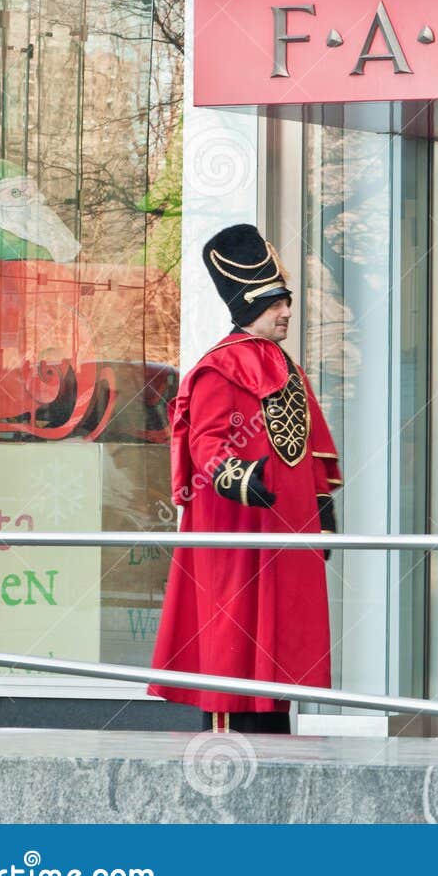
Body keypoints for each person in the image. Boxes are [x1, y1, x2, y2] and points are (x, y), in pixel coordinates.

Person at [149, 224, 341, 734]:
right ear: (249, 306)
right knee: (234, 636)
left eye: (287, 301)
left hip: (285, 527)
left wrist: (321, 505)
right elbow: (205, 444)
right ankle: (231, 737)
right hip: (239, 527)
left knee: (281, 637)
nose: (287, 312)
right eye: (276, 302)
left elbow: (311, 441)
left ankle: (271, 722)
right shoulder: (216, 369)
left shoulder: (286, 365)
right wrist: (239, 477)